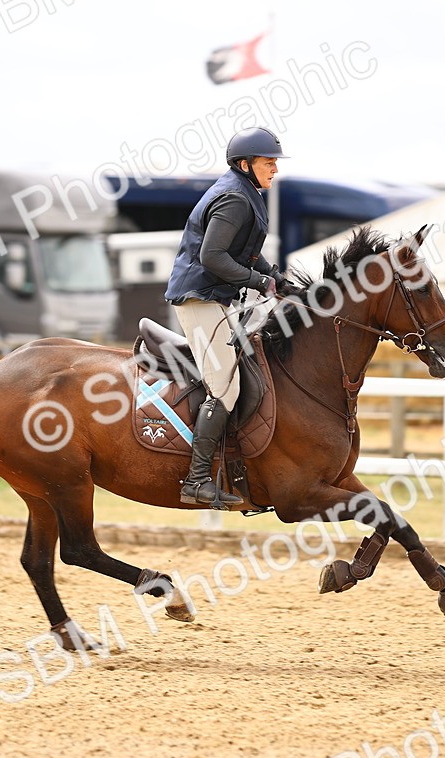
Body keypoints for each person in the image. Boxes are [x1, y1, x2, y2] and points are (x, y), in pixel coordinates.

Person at [164, 126, 286, 506]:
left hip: (215, 297)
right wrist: (258, 280)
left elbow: (246, 251)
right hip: (200, 299)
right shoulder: (234, 197)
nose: (274, 171)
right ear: (245, 164)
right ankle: (196, 481)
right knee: (226, 385)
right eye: (269, 164)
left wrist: (277, 278)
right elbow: (213, 257)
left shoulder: (244, 192)